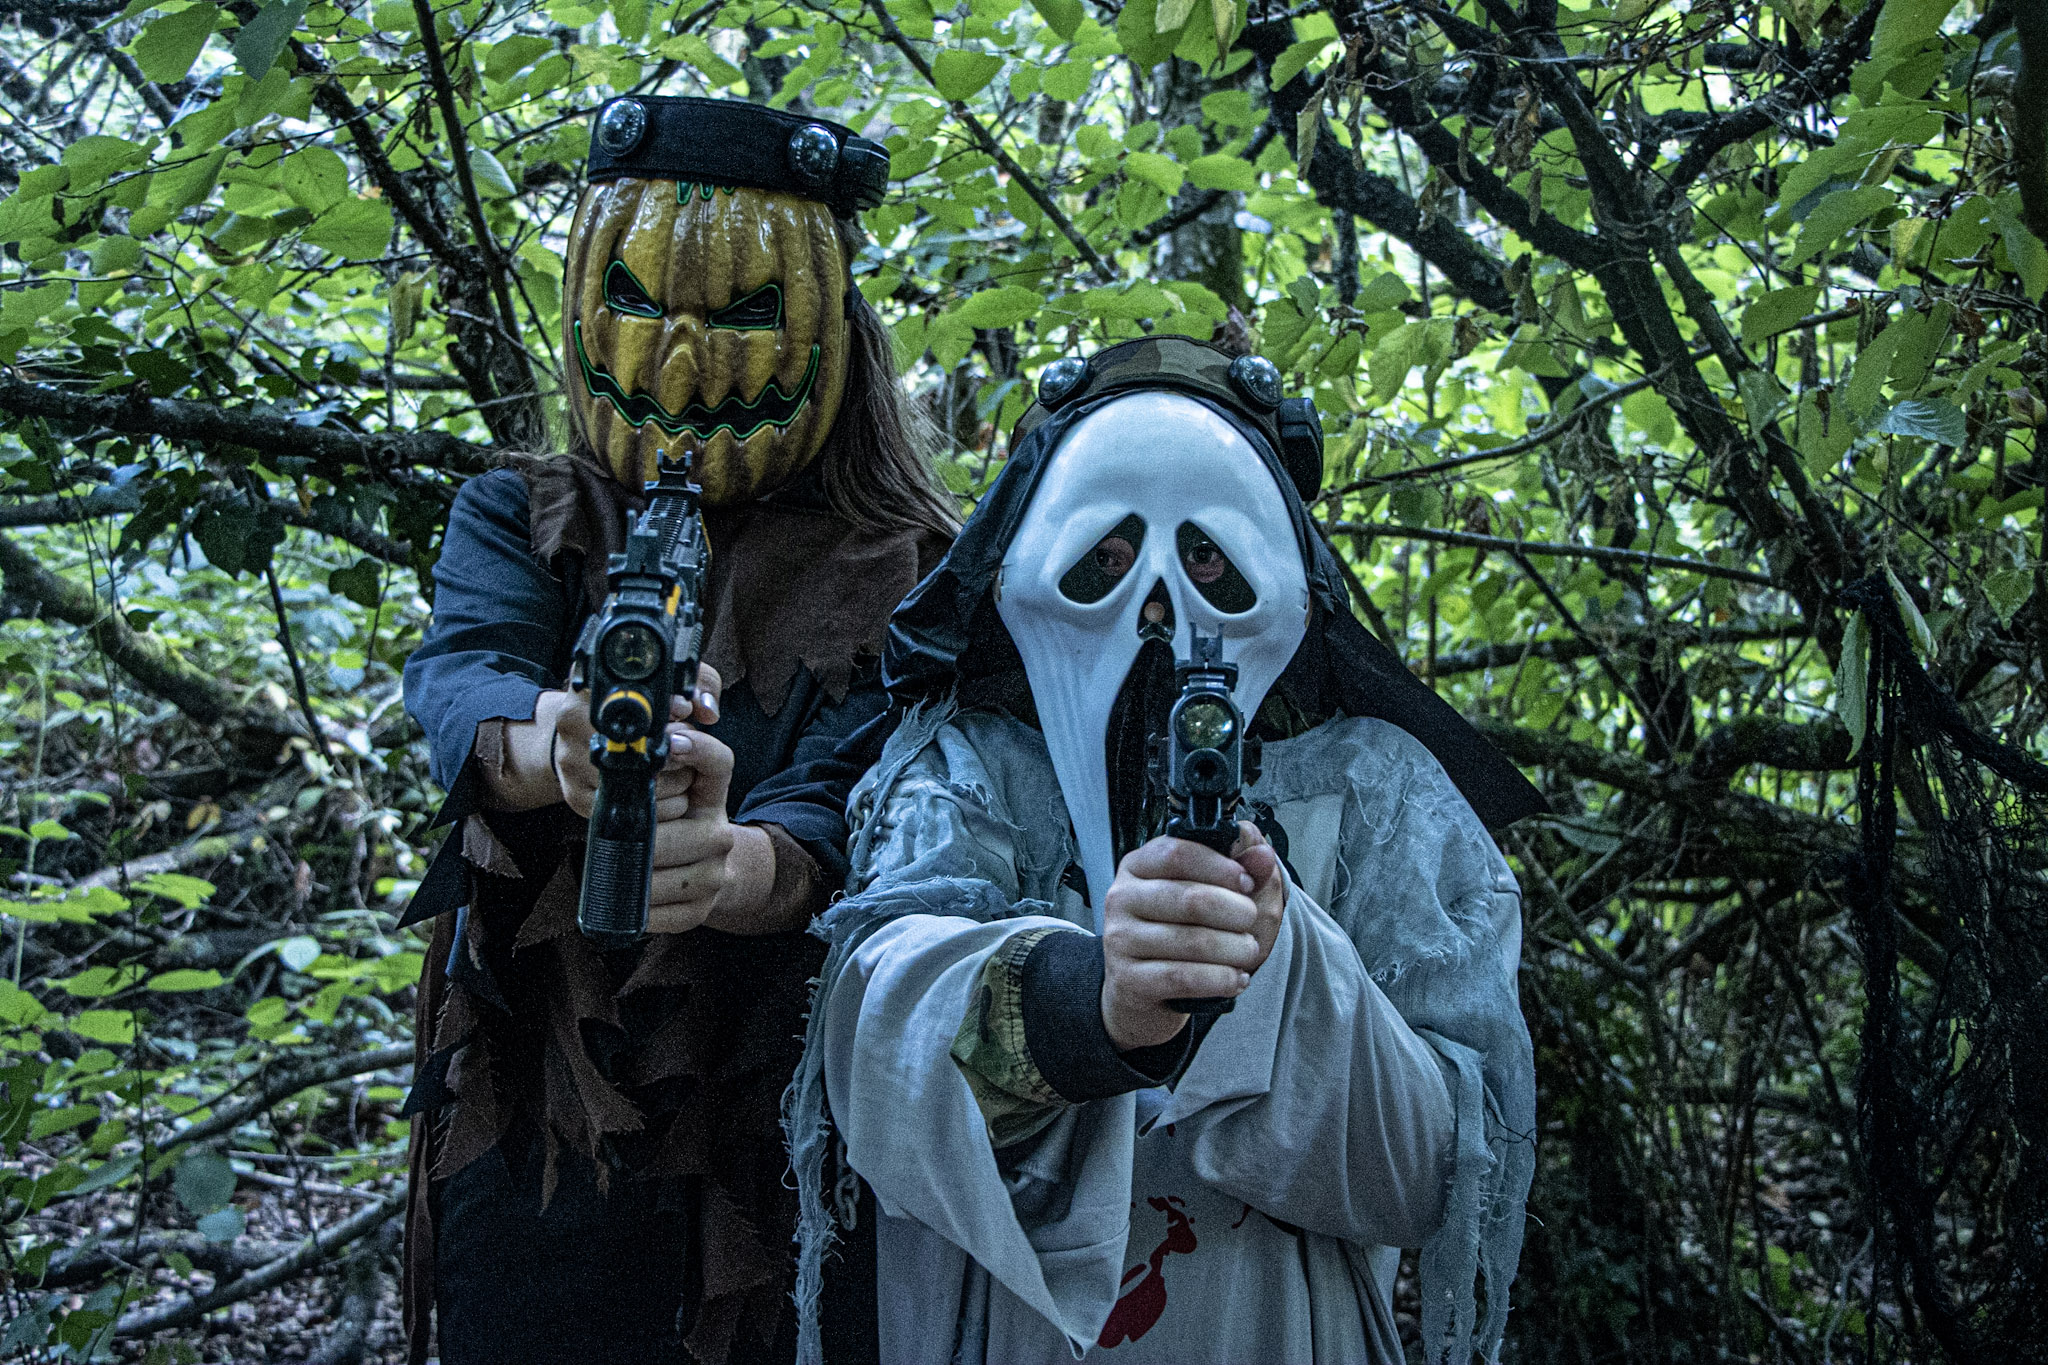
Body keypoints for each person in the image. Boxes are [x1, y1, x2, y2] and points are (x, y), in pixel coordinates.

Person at [782, 337, 1546, 1363]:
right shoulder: (965, 770)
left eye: (1204, 557)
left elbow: (1444, 1173)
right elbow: (873, 1049)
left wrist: (1276, 964)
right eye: (1104, 555)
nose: (1152, 607)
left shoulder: (1379, 798)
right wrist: (1083, 1005)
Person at [397, 96, 953, 1365]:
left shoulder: (918, 570)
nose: (685, 358)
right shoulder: (516, 514)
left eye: (747, 312)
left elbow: (884, 785)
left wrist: (747, 868)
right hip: (550, 1102)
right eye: (641, 303)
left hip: (808, 1099)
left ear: (827, 323)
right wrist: (564, 746)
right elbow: (458, 679)